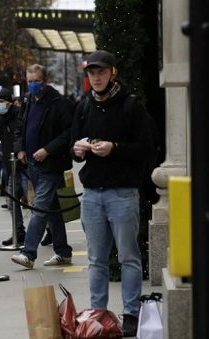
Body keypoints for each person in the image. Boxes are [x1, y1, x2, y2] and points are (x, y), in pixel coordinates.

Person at [71, 50, 152, 337]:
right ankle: (98, 314)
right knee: (96, 259)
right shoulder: (83, 107)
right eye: (92, 72)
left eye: (101, 72)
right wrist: (78, 150)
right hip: (92, 194)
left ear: (112, 73)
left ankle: (130, 313)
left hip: (122, 193)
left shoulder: (131, 106)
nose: (96, 77)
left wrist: (114, 148)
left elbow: (145, 149)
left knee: (128, 256)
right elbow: (74, 144)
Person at [10, 64, 73, 269]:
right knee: (53, 210)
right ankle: (63, 252)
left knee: (39, 208)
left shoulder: (58, 102)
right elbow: (19, 128)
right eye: (30, 81)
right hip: (31, 165)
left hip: (51, 164)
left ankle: (28, 253)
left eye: (36, 80)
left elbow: (67, 132)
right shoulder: (28, 101)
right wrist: (20, 149)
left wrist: (48, 149)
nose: (33, 84)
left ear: (45, 80)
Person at [0, 88, 27, 246]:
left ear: (9, 102)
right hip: (11, 167)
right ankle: (19, 231)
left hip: (23, 164)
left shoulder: (18, 114)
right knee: (12, 202)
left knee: (36, 202)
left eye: (2, 101)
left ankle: (50, 230)